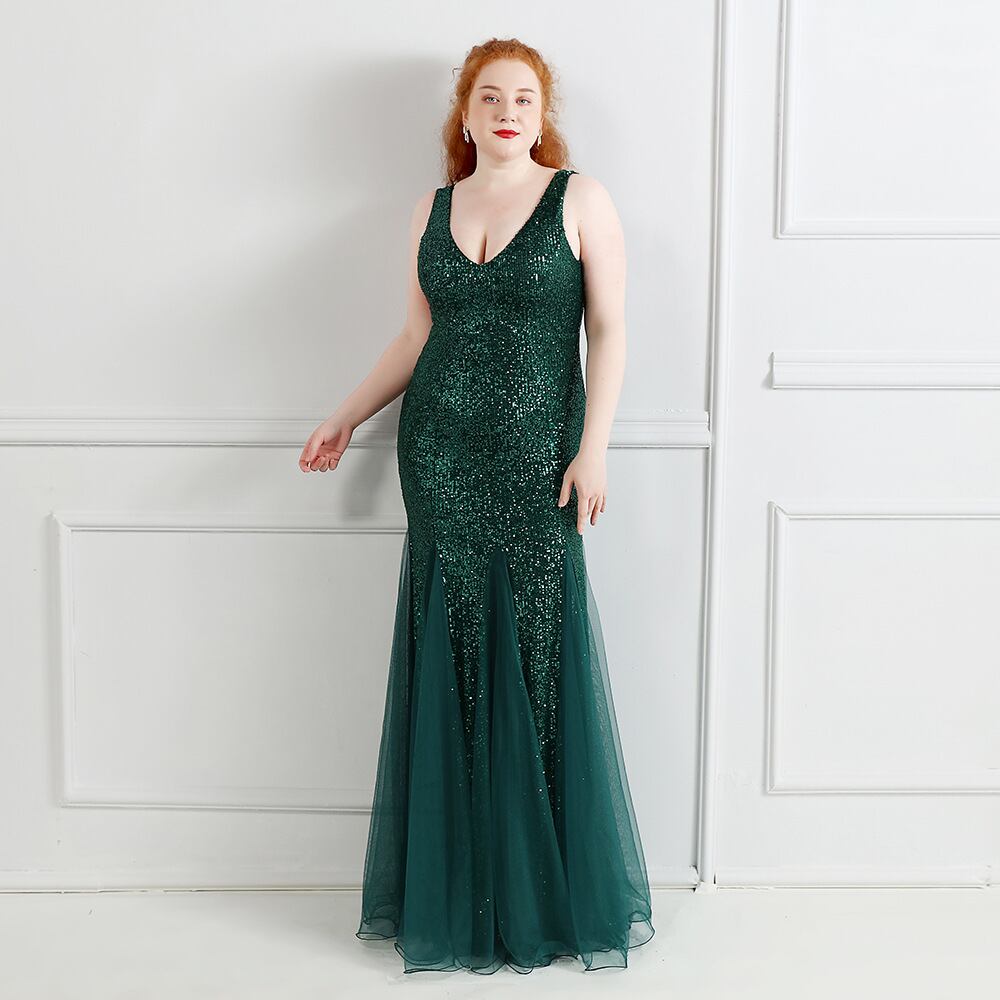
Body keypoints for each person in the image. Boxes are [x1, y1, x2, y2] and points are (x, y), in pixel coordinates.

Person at [298, 37, 655, 975]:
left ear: (542, 115)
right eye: (489, 97)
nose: (506, 111)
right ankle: (457, 894)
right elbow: (416, 337)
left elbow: (610, 330)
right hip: (440, 462)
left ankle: (540, 898)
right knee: (451, 653)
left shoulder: (580, 198)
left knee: (537, 658)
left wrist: (594, 447)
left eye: (523, 99)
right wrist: (346, 415)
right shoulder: (432, 207)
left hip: (541, 465)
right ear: (464, 112)